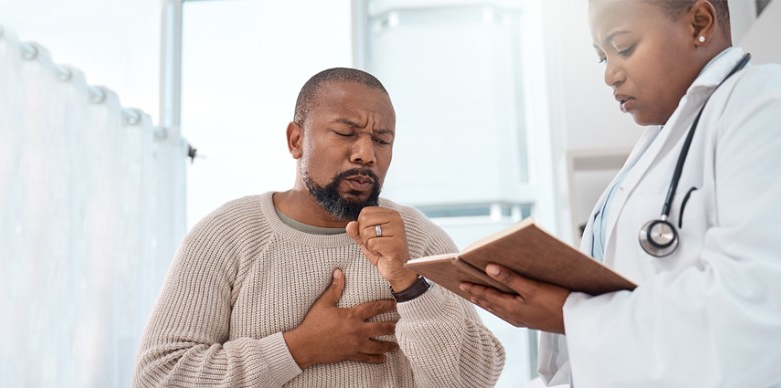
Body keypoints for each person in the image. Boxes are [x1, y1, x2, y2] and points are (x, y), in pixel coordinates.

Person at [460, 0, 781, 386]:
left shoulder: (774, 105)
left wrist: (567, 314)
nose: (610, 73)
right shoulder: (654, 150)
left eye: (624, 47)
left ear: (698, 23)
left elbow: (760, 313)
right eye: (601, 57)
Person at [132, 67, 505, 387]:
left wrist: (410, 286)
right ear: (296, 140)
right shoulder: (226, 234)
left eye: (382, 140)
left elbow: (476, 379)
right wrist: (300, 348)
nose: (366, 154)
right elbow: (160, 376)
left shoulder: (417, 237)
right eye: (346, 133)